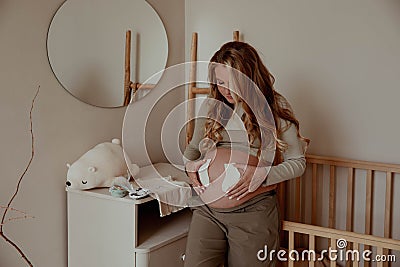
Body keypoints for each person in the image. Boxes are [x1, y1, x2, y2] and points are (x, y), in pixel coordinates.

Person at [183, 41, 309, 267]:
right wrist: (190, 168)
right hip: (207, 210)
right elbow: (192, 150)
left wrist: (261, 175)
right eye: (220, 82)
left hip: (254, 212)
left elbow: (297, 163)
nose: (226, 90)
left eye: (233, 83)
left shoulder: (274, 106)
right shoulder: (212, 106)